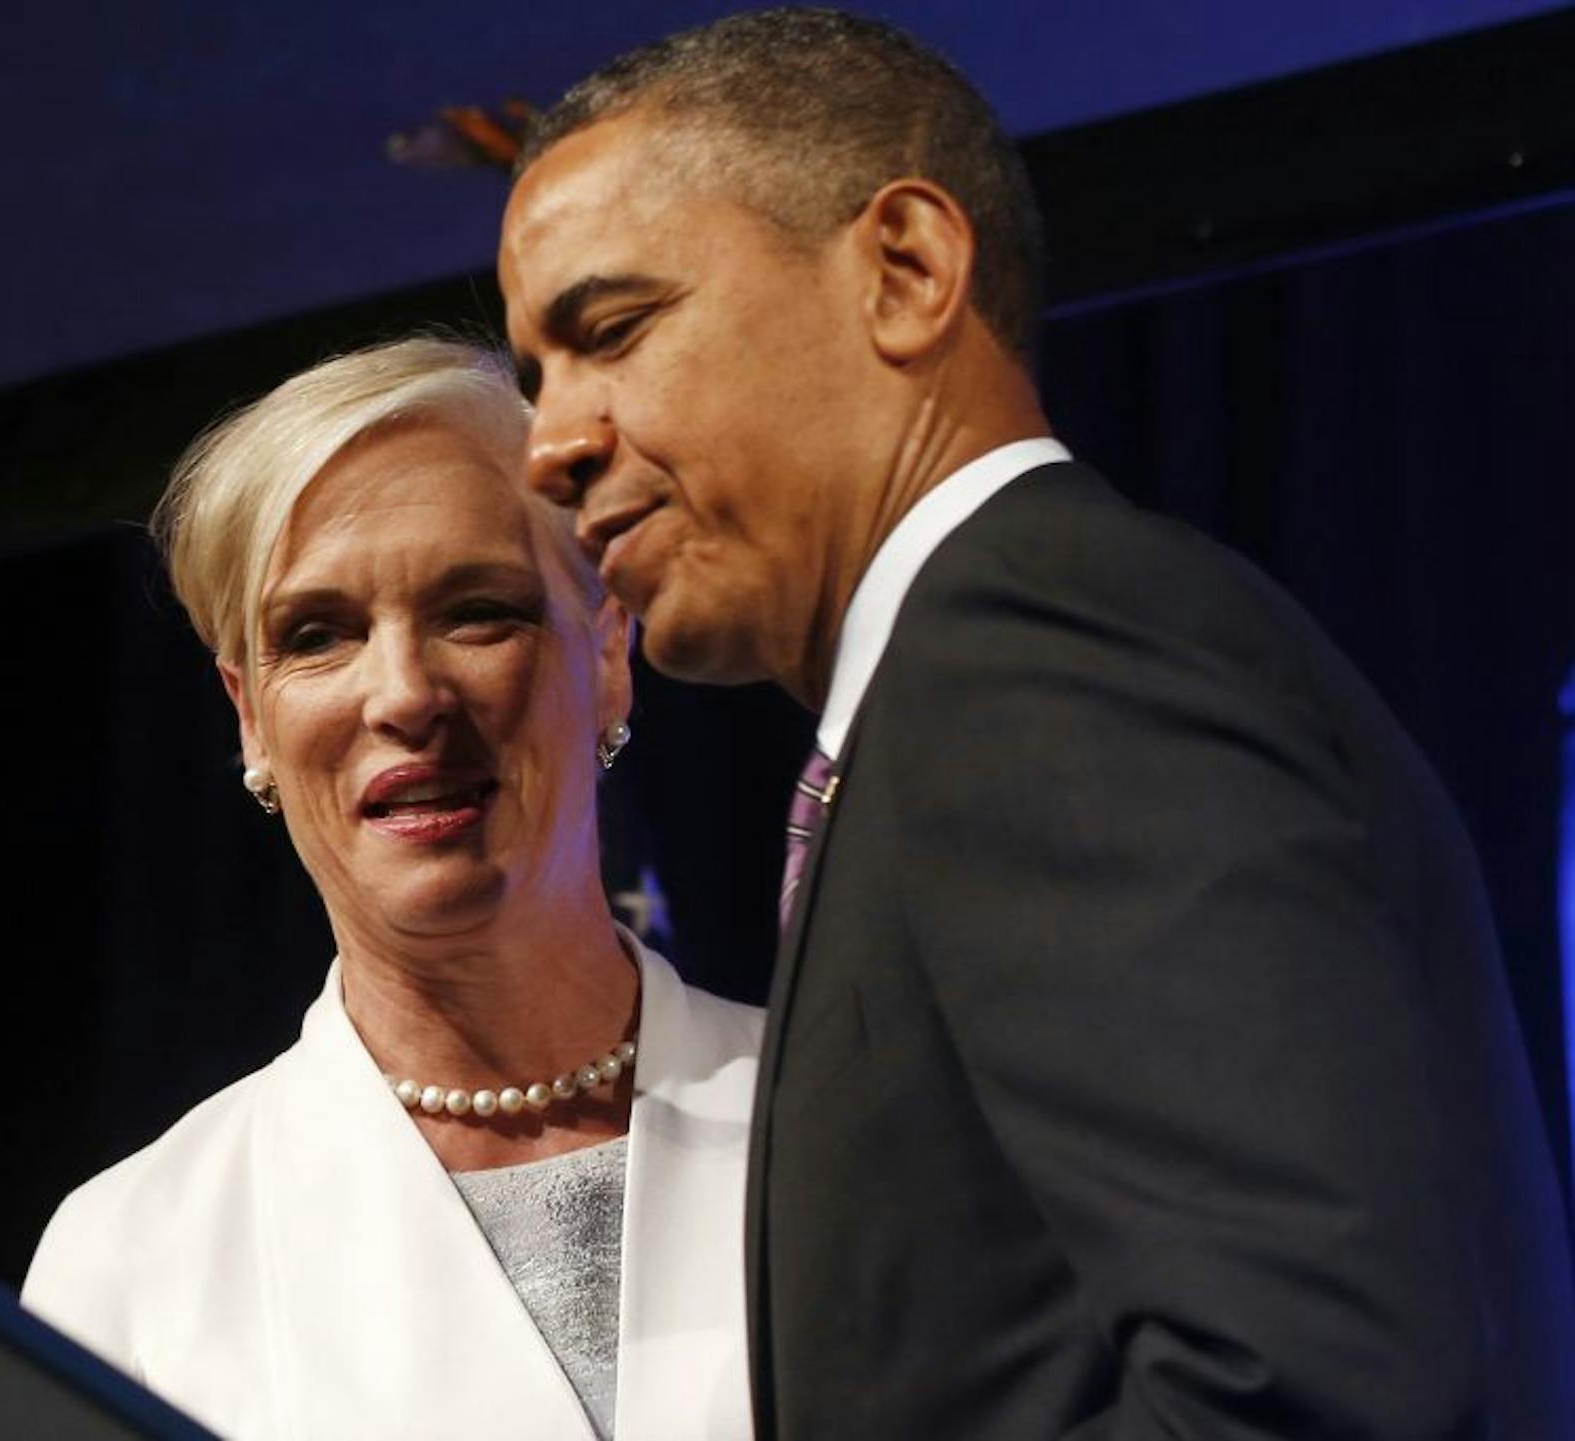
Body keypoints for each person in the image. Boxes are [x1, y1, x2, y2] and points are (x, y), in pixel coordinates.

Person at [499, 9, 1575, 1439]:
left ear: (908, 270)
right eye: (535, 376)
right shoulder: (979, 677)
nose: (551, 445)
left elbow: (1311, 1388)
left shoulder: (1035, 653)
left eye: (613, 330)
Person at [21, 337, 761, 1441]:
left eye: (479, 611)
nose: (406, 695)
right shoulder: (132, 1258)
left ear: (608, 651)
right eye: (317, 636)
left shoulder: (848, 1122)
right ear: (249, 716)